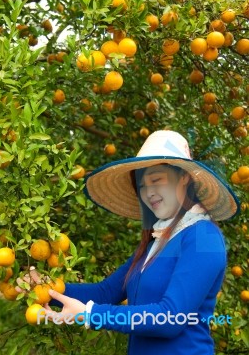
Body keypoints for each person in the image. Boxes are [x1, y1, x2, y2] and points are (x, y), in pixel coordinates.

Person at [33, 131, 240, 354]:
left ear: (184, 177)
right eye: (142, 185)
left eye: (156, 180)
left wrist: (90, 314)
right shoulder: (157, 241)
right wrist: (45, 287)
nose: (148, 192)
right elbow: (105, 292)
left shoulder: (203, 238)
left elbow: (170, 318)